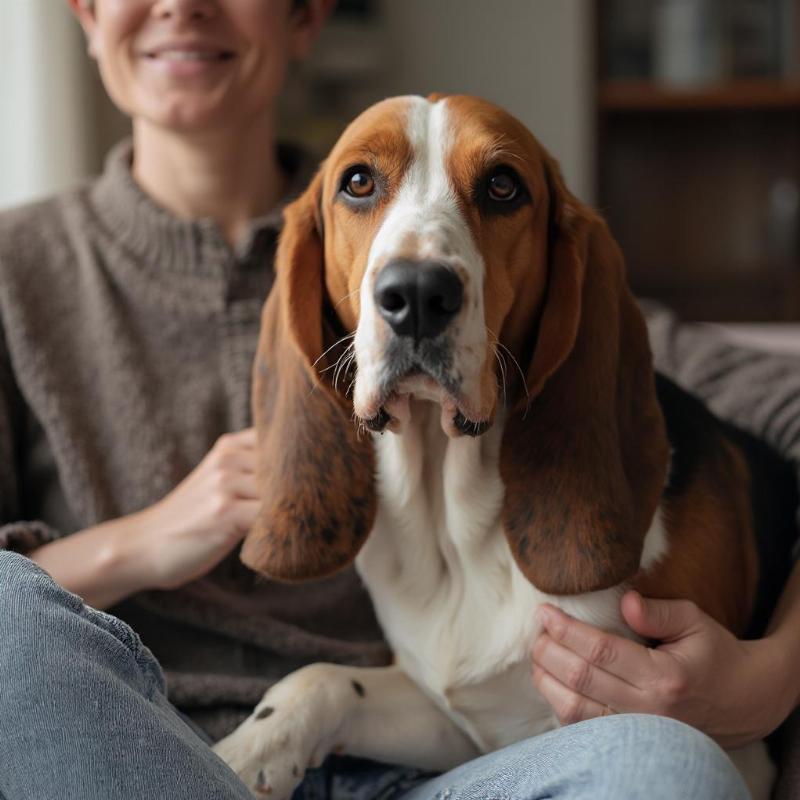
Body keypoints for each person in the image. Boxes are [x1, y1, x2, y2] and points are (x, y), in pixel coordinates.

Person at [0, 1, 797, 798]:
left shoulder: (583, 309)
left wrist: (771, 676)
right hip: (135, 755)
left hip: (435, 774)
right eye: (360, 186)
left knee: (665, 764)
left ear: (306, 16)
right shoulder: (18, 271)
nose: (183, 5)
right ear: (86, 12)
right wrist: (131, 547)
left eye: (497, 191)